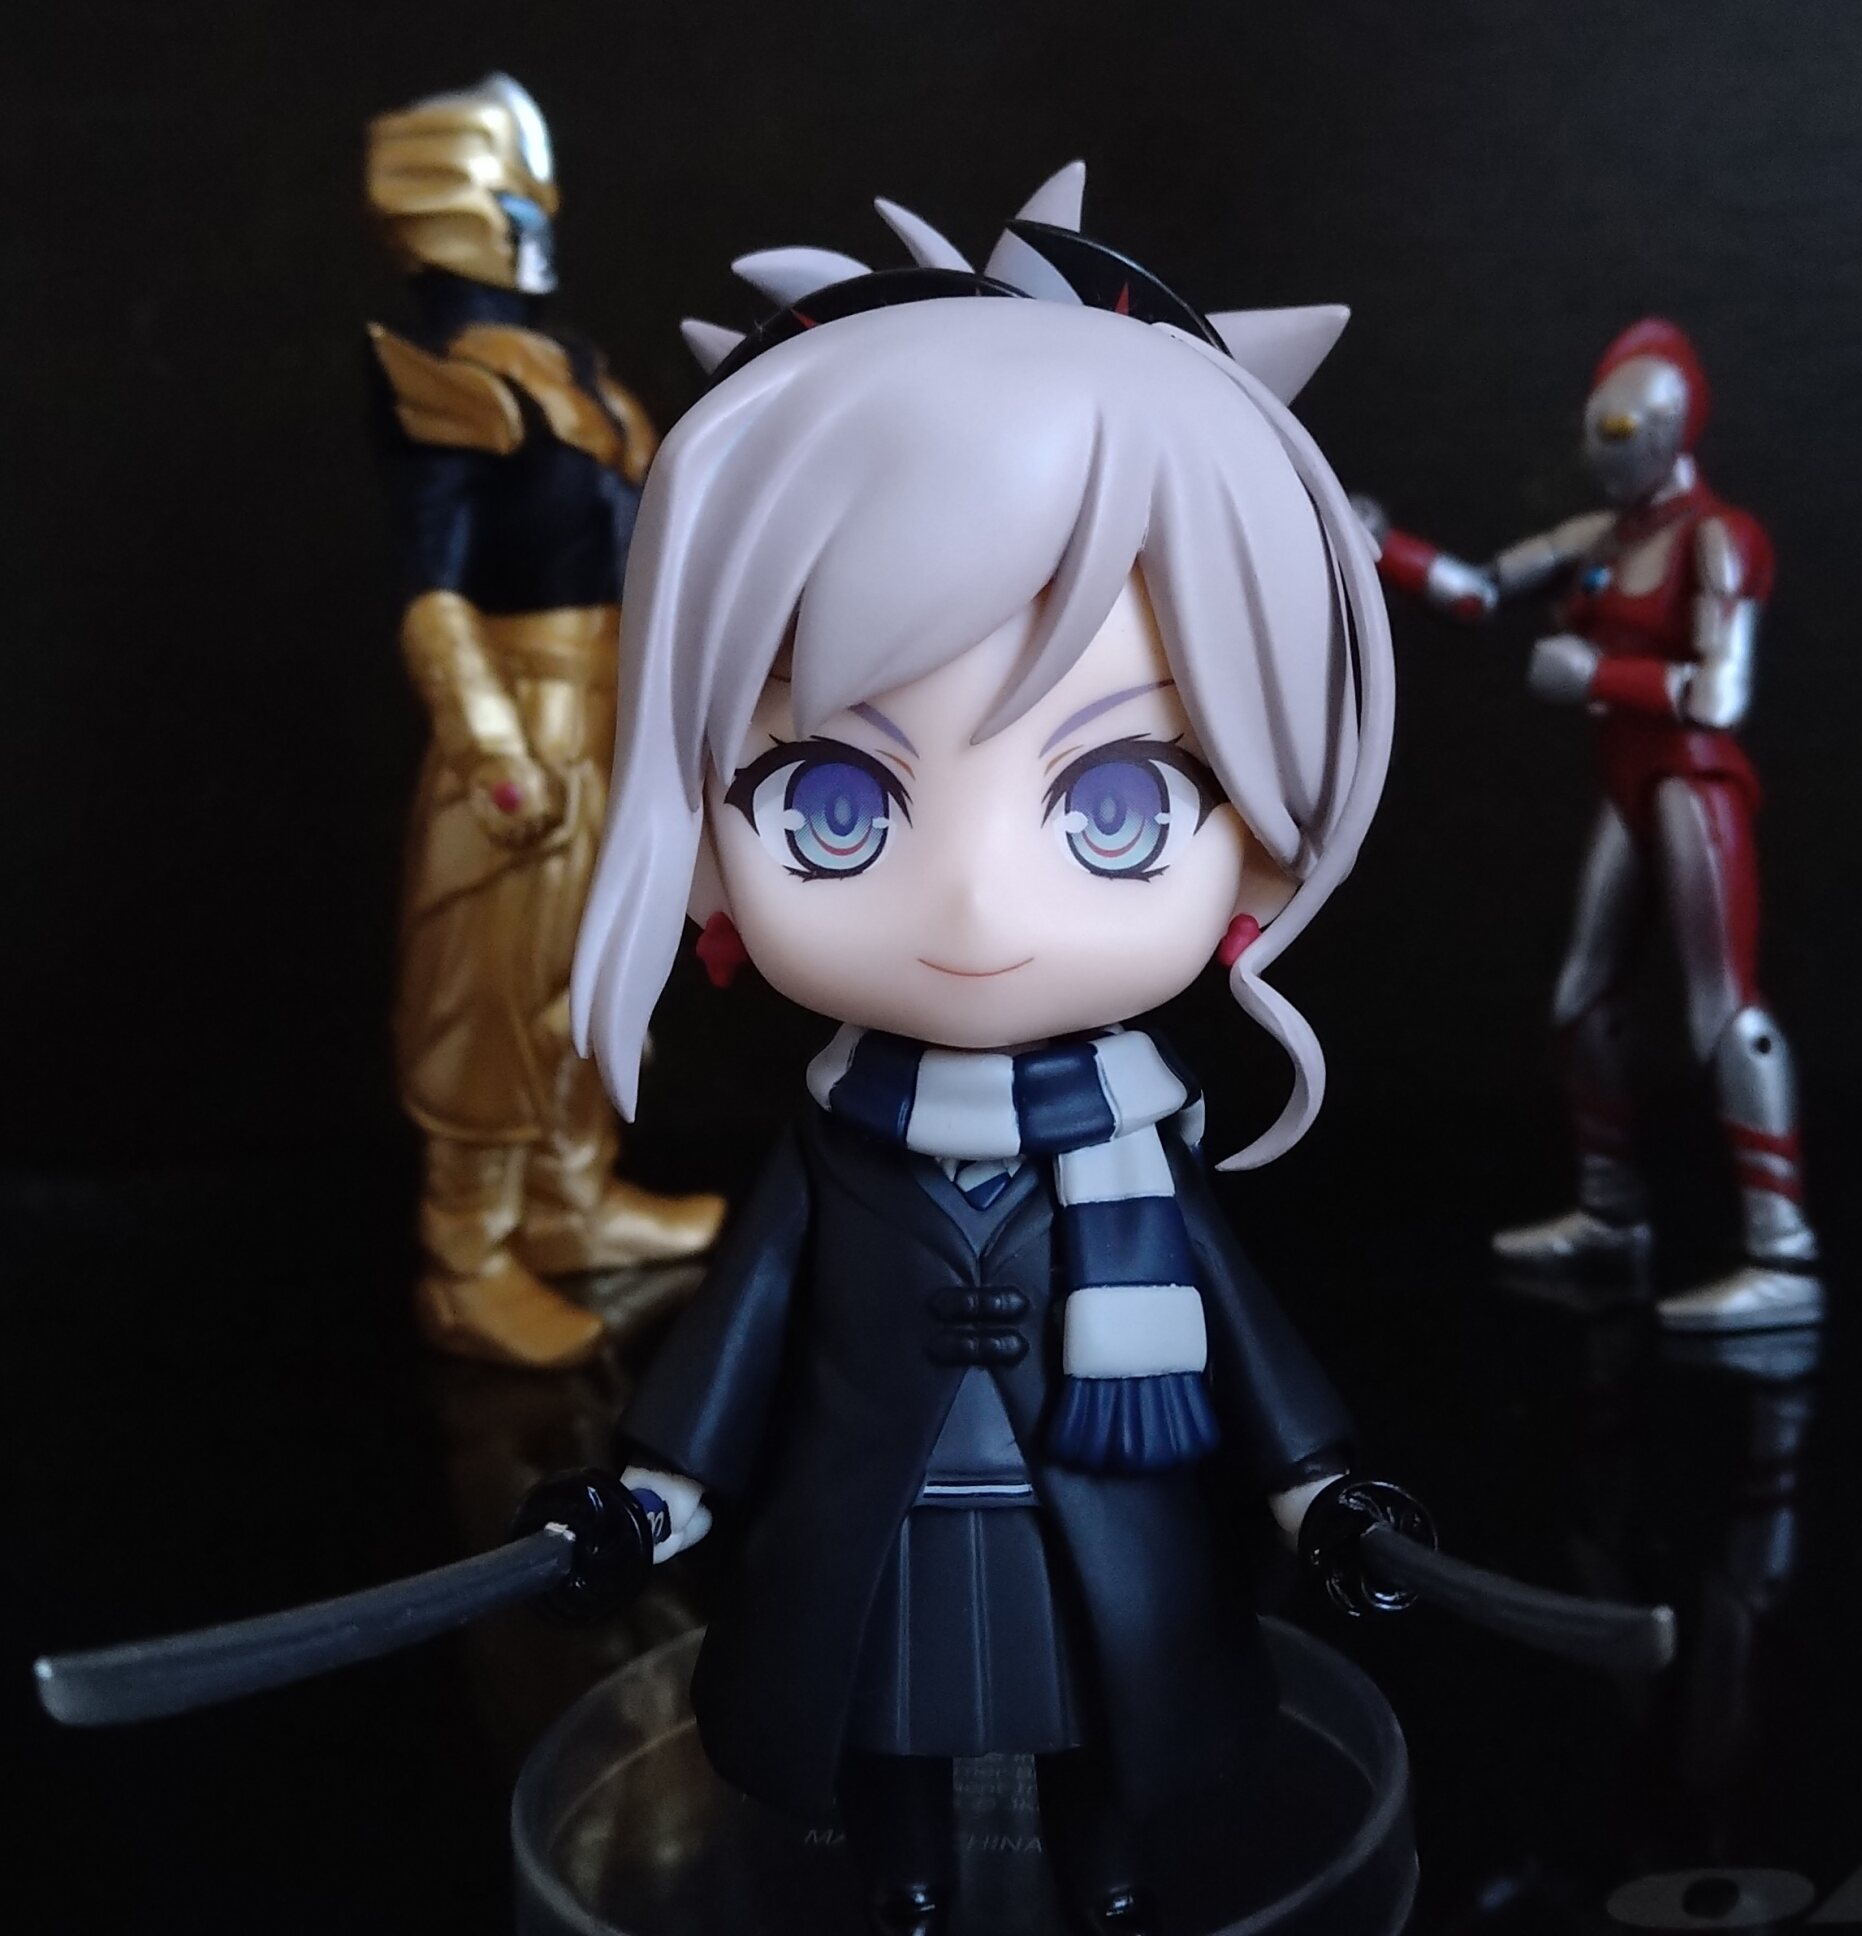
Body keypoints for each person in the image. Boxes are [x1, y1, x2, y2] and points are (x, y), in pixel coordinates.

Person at [571, 165, 1397, 1934]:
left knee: (1110, 1734)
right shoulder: (837, 1138)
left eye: (1118, 802)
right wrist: (652, 1494)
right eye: (835, 801)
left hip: (1104, 1525)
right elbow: (739, 1331)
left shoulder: (1136, 1137)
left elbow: (1242, 1335)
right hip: (868, 1527)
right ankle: (910, 1887)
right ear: (701, 826)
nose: (970, 900)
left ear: (1259, 840)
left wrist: (1325, 1493)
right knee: (885, 1752)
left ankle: (1107, 1881)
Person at [364, 75, 723, 1370]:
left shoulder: (562, 364)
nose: (537, 226)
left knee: (592, 976)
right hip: (524, 722)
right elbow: (433, 591)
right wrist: (491, 748)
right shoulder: (444, 378)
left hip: (613, 708)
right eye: (516, 203)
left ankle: (572, 1205)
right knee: (492, 989)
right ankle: (466, 1259)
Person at [1370, 321, 1820, 1333]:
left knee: (1722, 1008)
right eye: (1594, 427)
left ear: (1668, 431)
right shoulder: (1602, 536)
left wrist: (1597, 675)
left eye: (1620, 431)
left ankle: (1782, 1251)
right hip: (1628, 779)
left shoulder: (1718, 539)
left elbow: (1720, 693)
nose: (1601, 450)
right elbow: (1479, 592)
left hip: (1690, 781)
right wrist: (1380, 545)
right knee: (1581, 999)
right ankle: (1611, 1212)